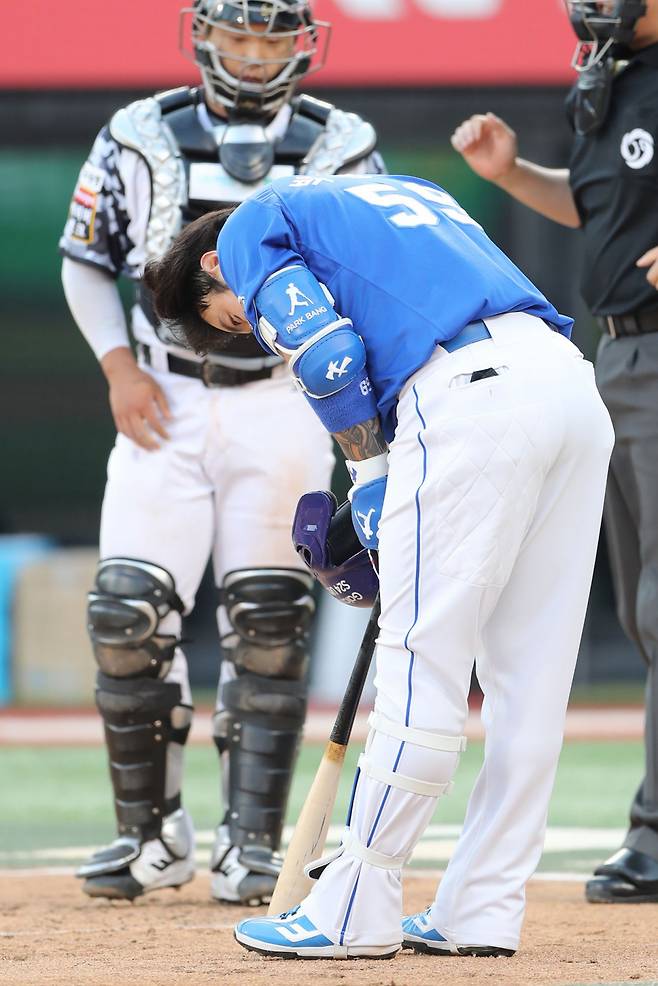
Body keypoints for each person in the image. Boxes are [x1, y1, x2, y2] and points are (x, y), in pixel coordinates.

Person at [142, 172, 613, 958]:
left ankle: (354, 906)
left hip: (470, 396)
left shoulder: (246, 229)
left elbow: (327, 355)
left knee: (420, 655)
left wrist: (369, 471)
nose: (250, 331)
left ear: (215, 270)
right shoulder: (406, 189)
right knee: (529, 678)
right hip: (567, 384)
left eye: (231, 320)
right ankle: (482, 909)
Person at [59, 0, 385, 906]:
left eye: (272, 38)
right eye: (238, 35)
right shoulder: (137, 132)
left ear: (302, 45)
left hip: (283, 397)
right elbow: (86, 258)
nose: (252, 54)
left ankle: (254, 845)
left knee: (271, 620)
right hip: (162, 393)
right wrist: (119, 368)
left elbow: (372, 270)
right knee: (125, 612)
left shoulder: (344, 142)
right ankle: (152, 837)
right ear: (202, 36)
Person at [452, 0, 658, 904]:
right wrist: (512, 173)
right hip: (619, 353)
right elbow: (595, 205)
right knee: (639, 603)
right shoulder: (609, 76)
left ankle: (654, 838)